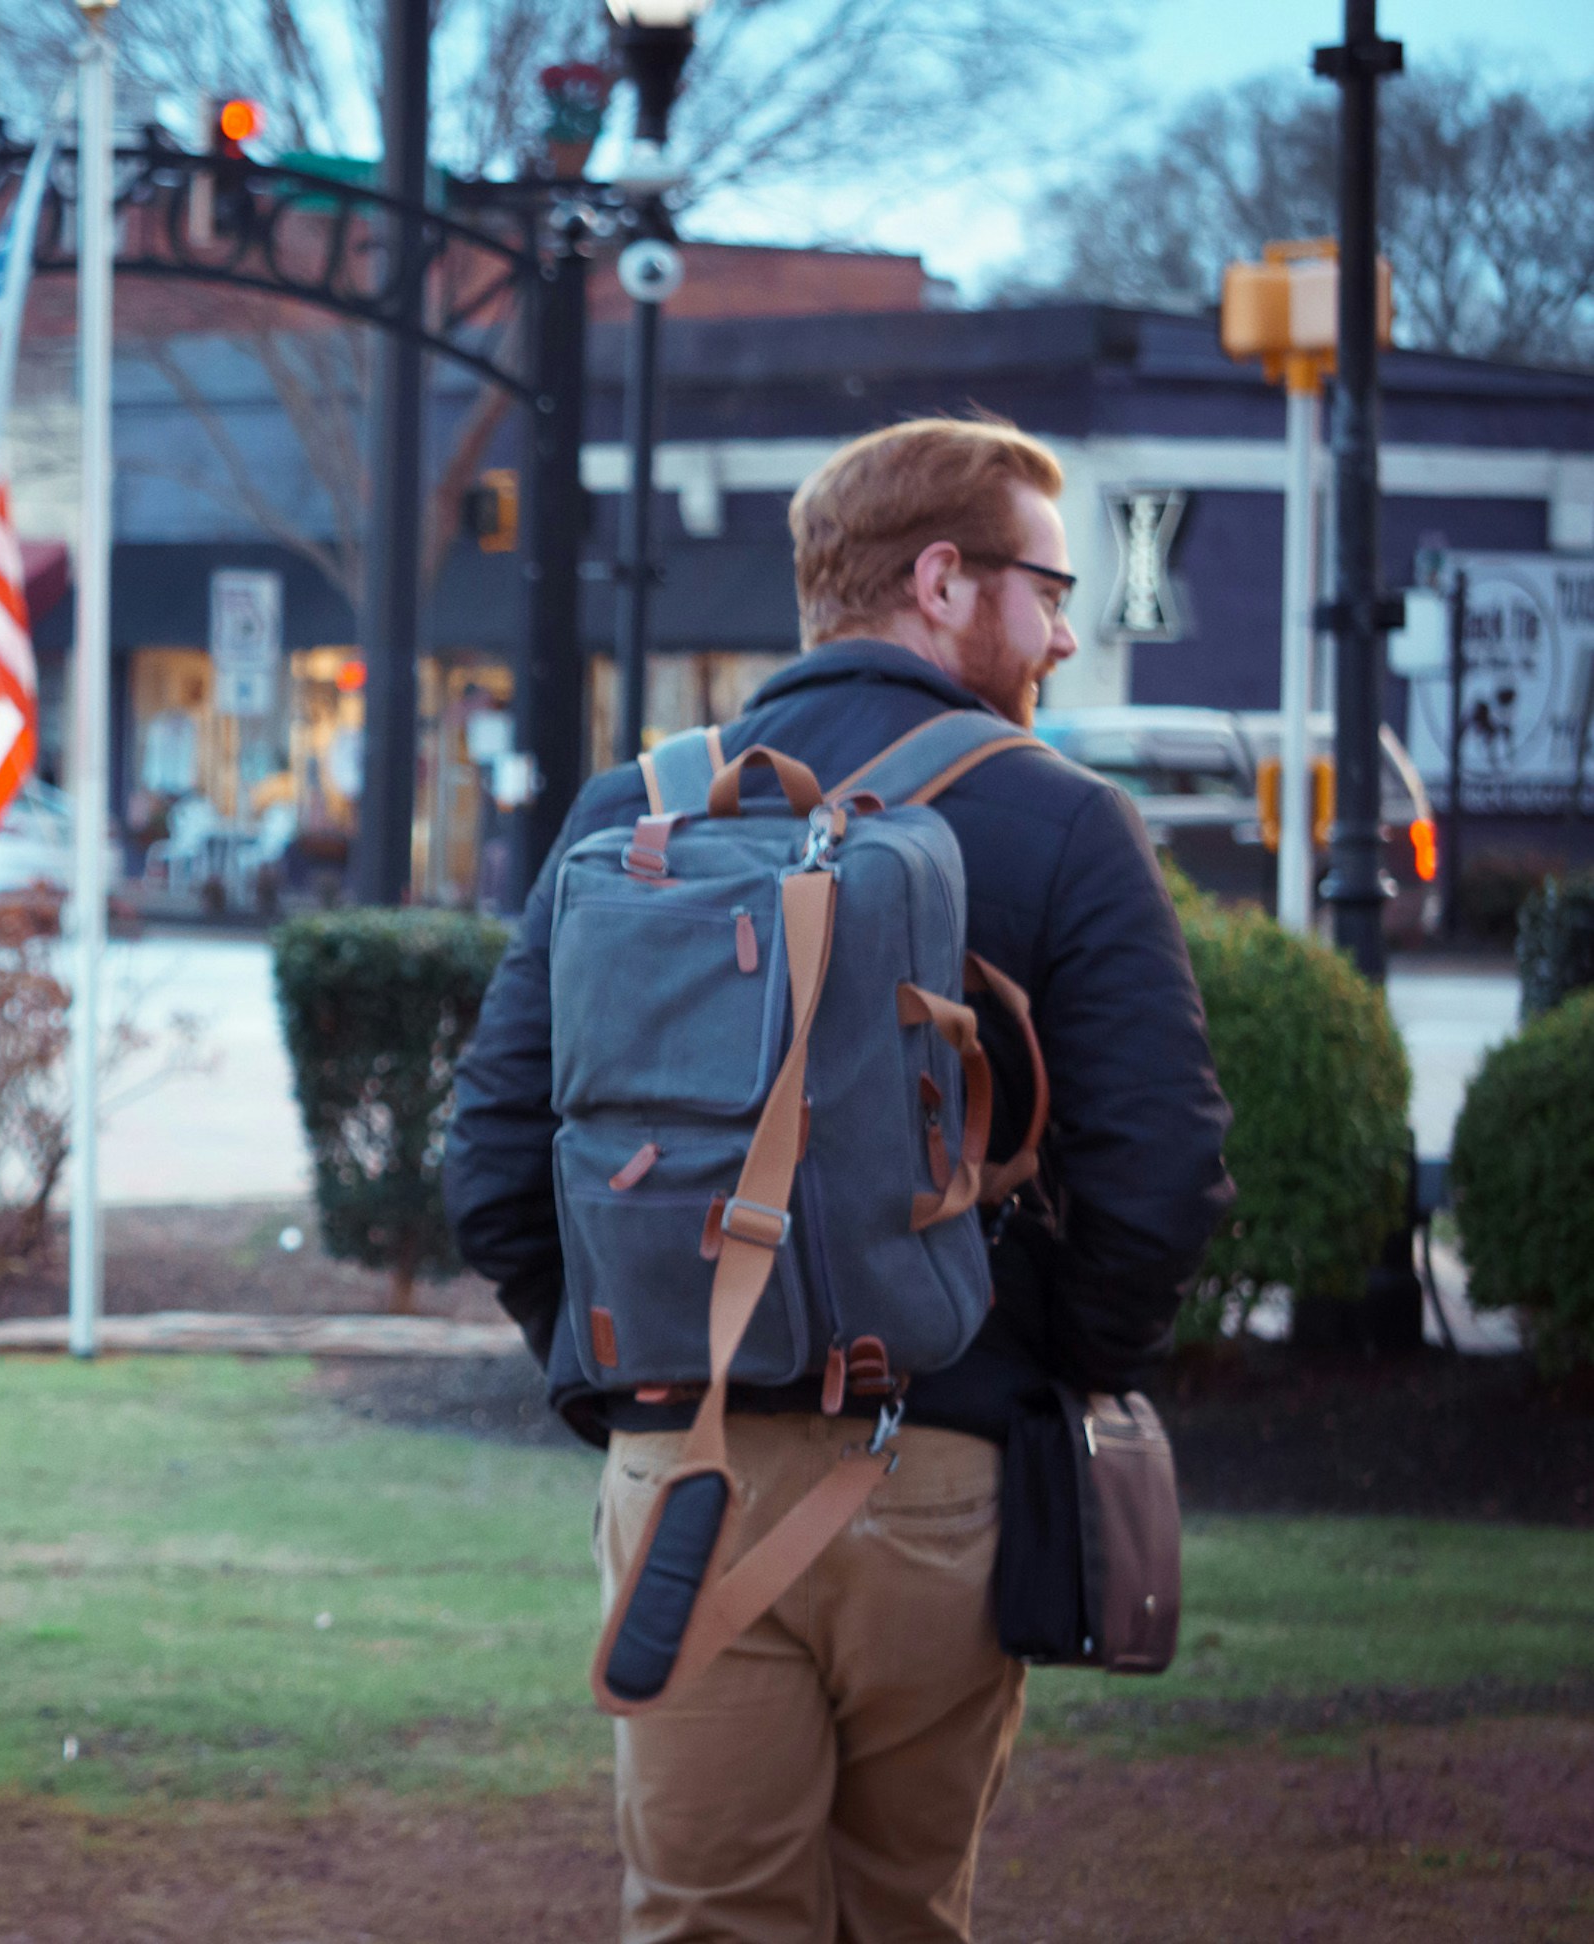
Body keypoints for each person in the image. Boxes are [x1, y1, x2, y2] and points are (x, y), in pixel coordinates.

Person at [445, 415, 1232, 1944]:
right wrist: (1024, 1375)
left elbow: (490, 1168)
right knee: (899, 1917)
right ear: (942, 581)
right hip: (944, 1474)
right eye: (1048, 589)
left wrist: (640, 1372)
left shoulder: (635, 817)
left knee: (702, 1918)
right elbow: (1162, 1176)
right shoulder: (1065, 824)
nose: (1065, 632)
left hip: (681, 1467)